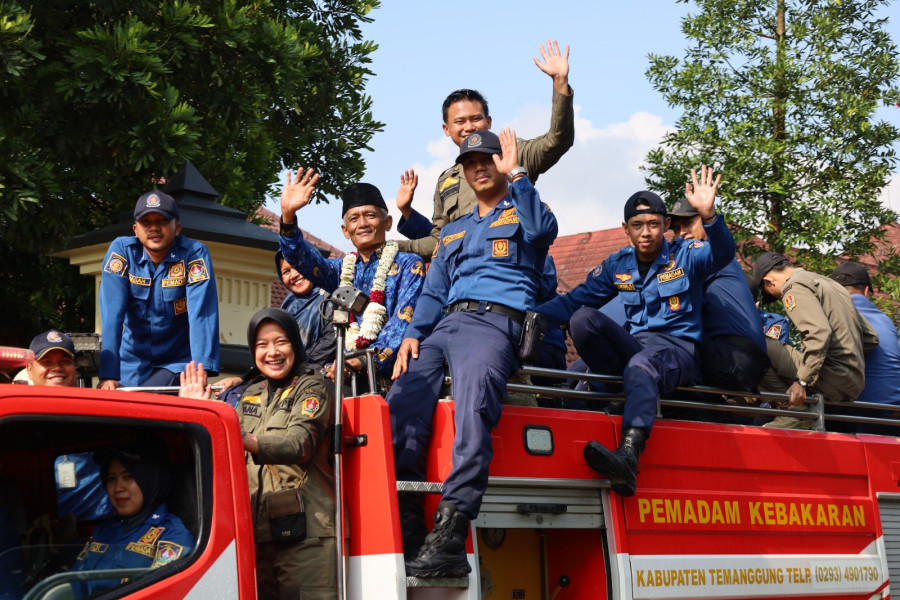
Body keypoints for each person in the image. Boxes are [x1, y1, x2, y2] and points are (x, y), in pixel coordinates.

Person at [388, 129, 558, 577]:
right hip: (443, 324)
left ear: (500, 163)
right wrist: (413, 333)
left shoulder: (525, 209)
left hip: (494, 321)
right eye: (470, 163)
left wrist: (518, 173)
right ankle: (407, 519)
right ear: (462, 171)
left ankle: (450, 531)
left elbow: (544, 232)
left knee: (472, 409)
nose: (479, 167)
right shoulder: (456, 229)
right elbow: (433, 288)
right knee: (401, 401)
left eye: (487, 159)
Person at [535, 166, 735, 497]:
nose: (646, 233)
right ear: (625, 229)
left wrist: (709, 214)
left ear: (665, 226)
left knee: (640, 366)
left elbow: (723, 254)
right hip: (636, 349)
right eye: (638, 225)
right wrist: (521, 318)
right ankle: (612, 387)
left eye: (654, 224)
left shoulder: (687, 255)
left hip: (676, 352)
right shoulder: (618, 264)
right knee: (583, 319)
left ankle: (628, 455)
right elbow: (573, 302)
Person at [180, 308, 335, 599]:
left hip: (308, 537)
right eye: (262, 345)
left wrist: (232, 431)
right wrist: (197, 414)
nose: (272, 352)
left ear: (296, 345)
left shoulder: (313, 386)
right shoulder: (250, 392)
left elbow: (299, 444)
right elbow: (222, 455)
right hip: (256, 536)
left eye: (281, 342)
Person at [395, 40, 574, 260]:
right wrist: (391, 245)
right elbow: (440, 243)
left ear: (489, 122)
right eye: (460, 121)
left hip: (515, 267)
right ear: (446, 129)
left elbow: (558, 140)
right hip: (464, 278)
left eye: (476, 119)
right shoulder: (446, 181)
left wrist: (560, 83)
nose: (469, 127)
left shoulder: (511, 151)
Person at [279, 176, 425, 391]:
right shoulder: (339, 270)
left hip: (392, 376)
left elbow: (402, 323)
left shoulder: (410, 265)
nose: (363, 224)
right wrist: (289, 216)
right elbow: (300, 259)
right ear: (345, 231)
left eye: (370, 216)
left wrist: (361, 361)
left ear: (387, 223)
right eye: (354, 219)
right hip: (341, 369)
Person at [98, 190, 219, 389]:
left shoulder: (194, 254)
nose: (154, 228)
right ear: (136, 229)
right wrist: (108, 374)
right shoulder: (122, 251)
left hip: (177, 362)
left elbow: (202, 314)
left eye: (162, 220)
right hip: (132, 364)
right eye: (146, 222)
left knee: (142, 404)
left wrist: (200, 370)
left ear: (177, 227)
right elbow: (112, 315)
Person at [750, 252, 878, 429]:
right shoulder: (831, 284)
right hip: (853, 382)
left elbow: (818, 332)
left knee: (754, 344)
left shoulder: (793, 287)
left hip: (830, 378)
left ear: (769, 280)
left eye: (769, 292)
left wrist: (801, 381)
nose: (778, 297)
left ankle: (794, 412)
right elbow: (871, 338)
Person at [71, 434, 194, 599]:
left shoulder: (172, 535)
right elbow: (73, 585)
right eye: (111, 479)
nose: (118, 488)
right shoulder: (103, 530)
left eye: (128, 477)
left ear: (150, 480)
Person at [668, 199, 768, 392]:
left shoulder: (708, 259)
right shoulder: (709, 260)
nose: (682, 234)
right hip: (741, 359)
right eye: (677, 229)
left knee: (658, 348)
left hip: (733, 355)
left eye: (688, 224)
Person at [25, 331, 113, 522]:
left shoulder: (99, 415)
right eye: (46, 362)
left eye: (64, 361)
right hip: (40, 539)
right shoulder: (18, 421)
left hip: (100, 534)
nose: (57, 368)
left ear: (75, 366)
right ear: (30, 369)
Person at [830, 261, 900, 428]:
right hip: (893, 413)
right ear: (866, 291)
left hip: (854, 413)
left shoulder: (830, 315)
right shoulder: (886, 320)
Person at [276, 251, 336, 371]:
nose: (293, 275)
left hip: (318, 378)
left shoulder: (330, 298)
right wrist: (245, 379)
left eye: (298, 266)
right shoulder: (287, 304)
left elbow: (330, 342)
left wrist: (297, 372)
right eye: (286, 272)